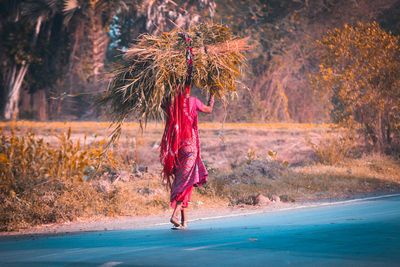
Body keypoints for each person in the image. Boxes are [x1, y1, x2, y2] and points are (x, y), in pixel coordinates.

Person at [160, 86, 214, 229]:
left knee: (184, 181)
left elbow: (163, 106)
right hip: (189, 148)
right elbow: (208, 110)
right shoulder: (192, 101)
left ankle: (184, 221)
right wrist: (212, 99)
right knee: (186, 182)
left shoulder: (171, 104)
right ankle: (175, 214)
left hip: (176, 150)